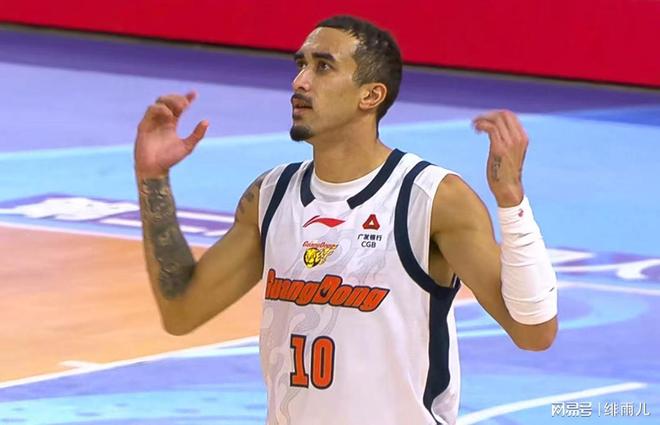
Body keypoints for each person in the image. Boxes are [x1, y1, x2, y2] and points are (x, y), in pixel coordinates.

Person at [134, 15, 557, 425]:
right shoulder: (272, 194)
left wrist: (512, 203)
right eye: (301, 64)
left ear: (370, 96)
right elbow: (181, 311)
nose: (300, 82)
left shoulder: (431, 198)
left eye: (323, 67)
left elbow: (533, 333)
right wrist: (153, 179)